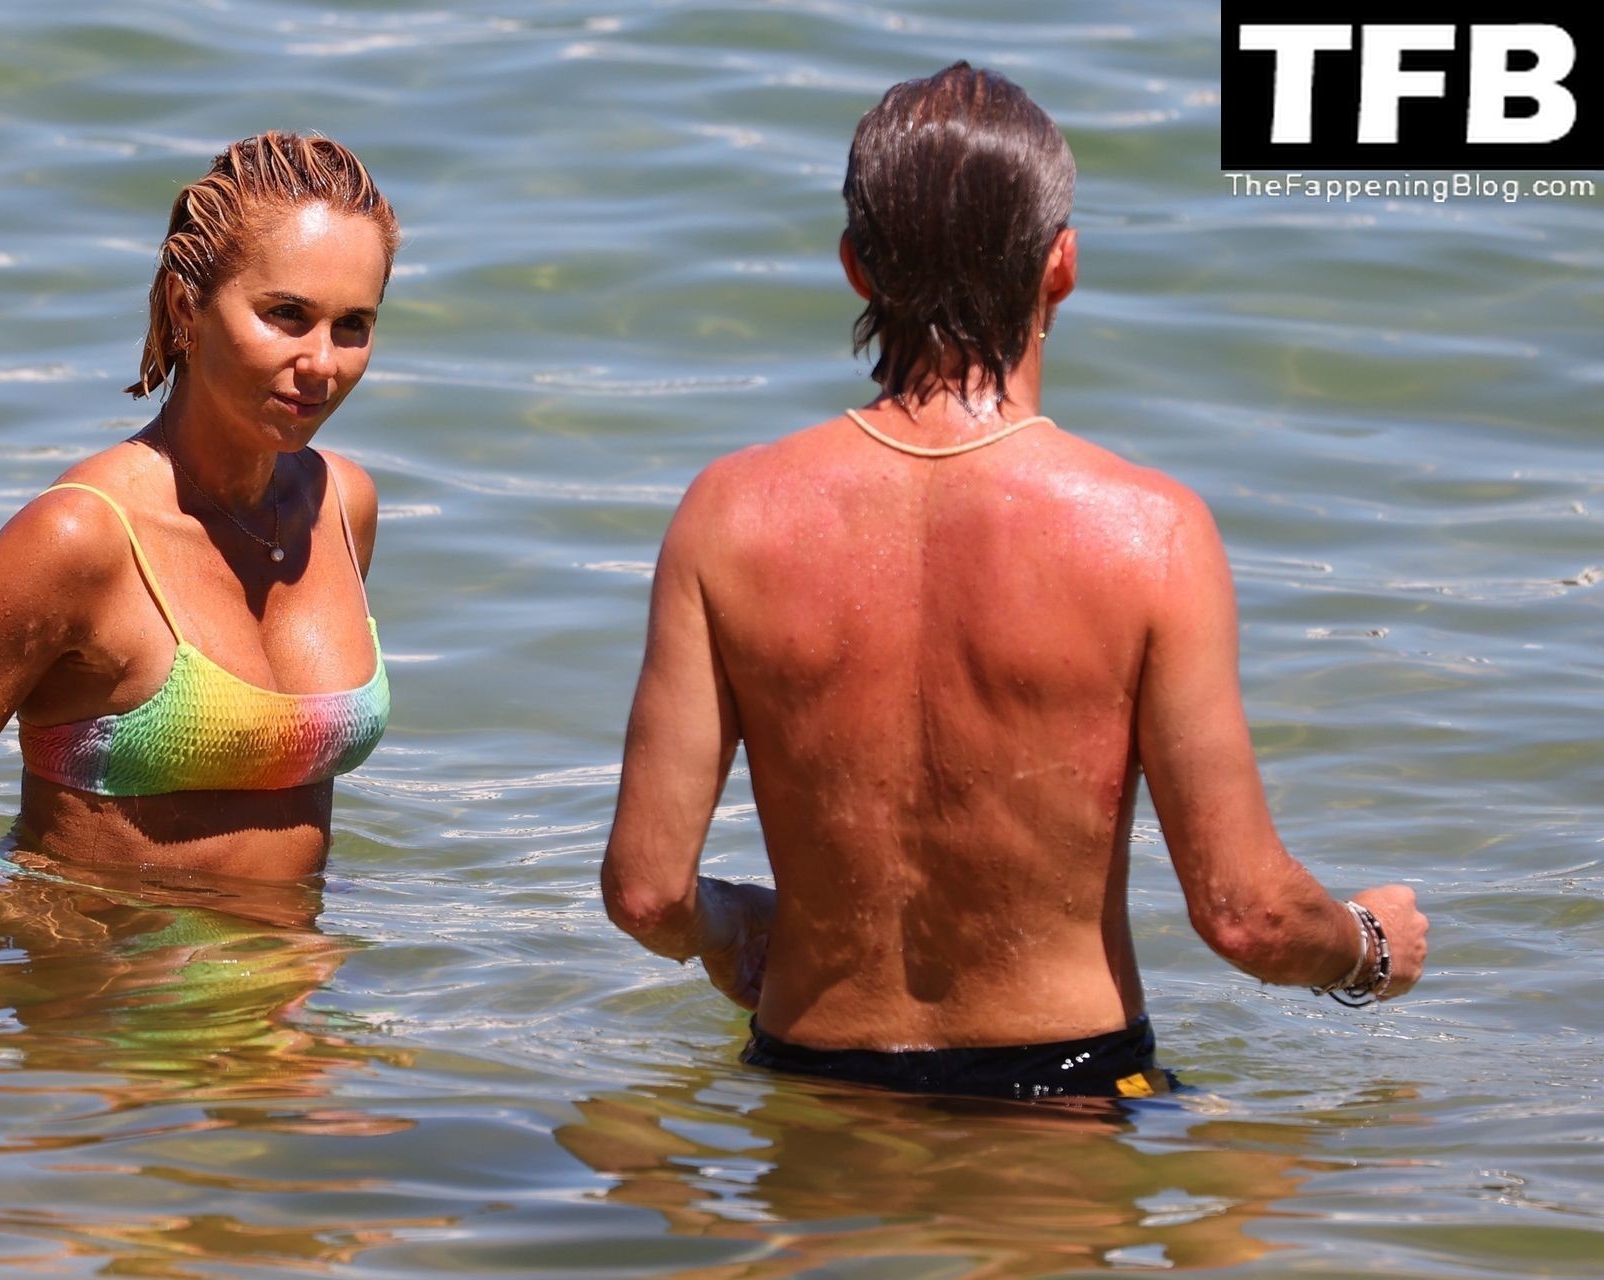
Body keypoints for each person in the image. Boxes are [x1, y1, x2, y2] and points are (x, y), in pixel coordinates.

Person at [600, 63, 1429, 1101]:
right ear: (1061, 266)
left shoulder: (728, 516)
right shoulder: (1150, 531)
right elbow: (1247, 916)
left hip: (812, 1083)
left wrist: (734, 930)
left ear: (855, 266)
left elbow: (646, 892)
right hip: (1066, 1098)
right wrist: (1369, 947)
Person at [0, 131, 400, 881]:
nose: (322, 363)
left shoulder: (342, 506)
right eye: (286, 314)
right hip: (91, 953)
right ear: (186, 308)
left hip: (291, 957)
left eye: (353, 325)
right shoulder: (81, 536)